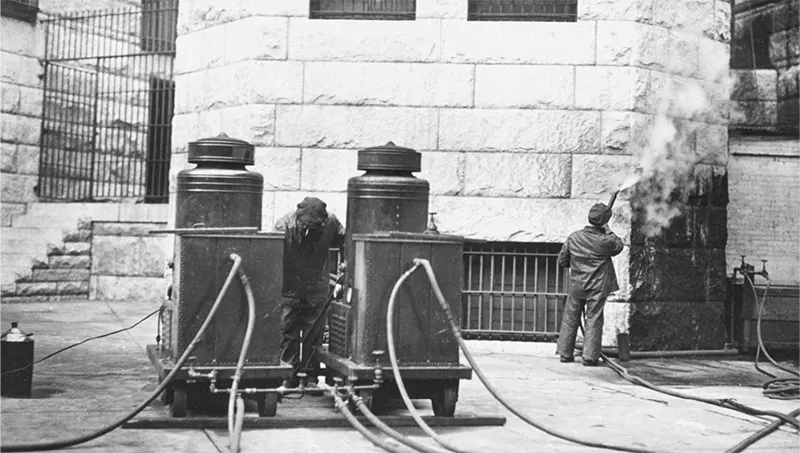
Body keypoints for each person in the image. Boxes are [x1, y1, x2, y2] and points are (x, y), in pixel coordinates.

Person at [274, 197, 345, 390]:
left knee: (314, 335)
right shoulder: (283, 226)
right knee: (287, 332)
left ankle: (311, 378)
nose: (310, 230)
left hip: (316, 289)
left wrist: (344, 267)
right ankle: (287, 376)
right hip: (290, 289)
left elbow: (344, 240)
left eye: (315, 227)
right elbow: (272, 257)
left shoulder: (330, 222)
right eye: (307, 226)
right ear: (298, 218)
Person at [556, 202, 624, 367]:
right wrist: (608, 229)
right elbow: (619, 246)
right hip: (597, 287)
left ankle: (565, 353)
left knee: (570, 317)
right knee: (593, 319)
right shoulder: (606, 240)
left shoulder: (574, 237)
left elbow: (562, 261)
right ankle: (589, 357)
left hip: (577, 286)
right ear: (604, 221)